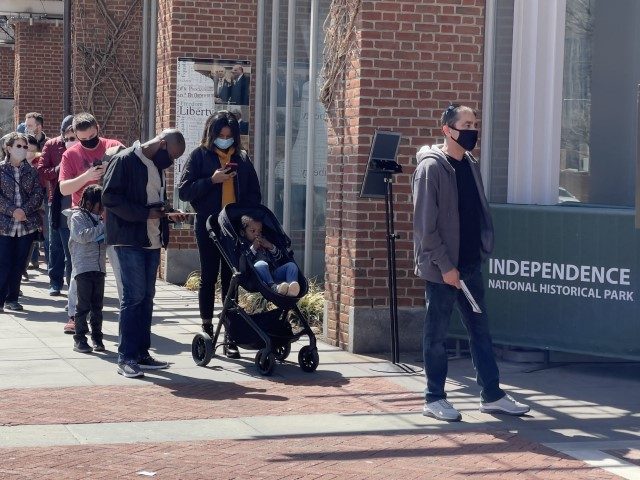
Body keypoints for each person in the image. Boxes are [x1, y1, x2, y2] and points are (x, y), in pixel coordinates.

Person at [412, 104, 530, 422]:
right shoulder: (431, 169)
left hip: (470, 265)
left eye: (475, 123)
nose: (473, 129)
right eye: (466, 123)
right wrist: (446, 267)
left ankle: (492, 394)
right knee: (436, 334)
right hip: (443, 270)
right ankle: (434, 397)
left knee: (480, 330)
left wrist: (478, 249)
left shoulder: (470, 163)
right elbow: (425, 228)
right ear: (447, 129)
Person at [102, 129, 187, 378]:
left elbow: (152, 200)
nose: (171, 162)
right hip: (128, 240)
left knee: (147, 296)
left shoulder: (155, 166)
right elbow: (109, 198)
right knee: (133, 297)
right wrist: (144, 213)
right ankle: (126, 356)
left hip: (152, 239)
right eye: (171, 155)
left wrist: (167, 211)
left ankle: (141, 353)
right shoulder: (124, 160)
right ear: (161, 144)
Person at [178, 111, 261, 359]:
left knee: (231, 279)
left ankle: (231, 333)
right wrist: (212, 180)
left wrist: (247, 219)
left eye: (229, 136)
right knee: (208, 276)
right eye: (220, 136)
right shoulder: (199, 156)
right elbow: (184, 191)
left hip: (234, 228)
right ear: (211, 134)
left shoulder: (243, 159)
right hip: (209, 225)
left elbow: (255, 195)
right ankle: (206, 327)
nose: (224, 140)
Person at [58, 113, 124, 335]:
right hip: (84, 218)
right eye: (84, 139)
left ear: (98, 128)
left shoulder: (113, 146)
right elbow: (64, 189)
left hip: (113, 217)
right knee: (81, 271)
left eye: (93, 137)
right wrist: (87, 176)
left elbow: (131, 173)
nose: (89, 142)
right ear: (75, 135)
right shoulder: (71, 154)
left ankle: (127, 314)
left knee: (120, 268)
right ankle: (74, 316)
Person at [0, 133, 44, 312]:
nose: (23, 150)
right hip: (4, 224)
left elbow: (37, 194)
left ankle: (13, 298)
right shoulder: (1, 170)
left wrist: (24, 211)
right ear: (8, 148)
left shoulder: (32, 171)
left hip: (26, 225)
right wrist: (12, 210)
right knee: (3, 262)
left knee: (19, 263)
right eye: (19, 146)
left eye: (25, 147)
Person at [38, 115, 75, 296]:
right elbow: (42, 171)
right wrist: (58, 169)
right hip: (57, 199)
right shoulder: (52, 145)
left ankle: (73, 283)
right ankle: (55, 281)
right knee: (56, 244)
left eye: (73, 134)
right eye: (66, 134)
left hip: (78, 201)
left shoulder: (84, 145)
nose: (70, 138)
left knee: (72, 244)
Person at [68, 185, 106, 353]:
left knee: (97, 306)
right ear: (90, 203)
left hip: (99, 267)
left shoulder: (101, 219)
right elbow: (82, 236)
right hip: (83, 268)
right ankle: (80, 338)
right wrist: (104, 227)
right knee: (83, 306)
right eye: (100, 204)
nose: (102, 208)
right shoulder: (77, 217)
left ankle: (97, 338)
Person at [239, 214, 299, 296]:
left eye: (259, 231)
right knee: (261, 264)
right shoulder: (244, 244)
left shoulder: (265, 241)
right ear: (243, 233)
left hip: (274, 272)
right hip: (257, 277)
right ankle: (274, 287)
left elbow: (280, 258)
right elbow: (244, 262)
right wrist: (254, 247)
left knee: (291, 265)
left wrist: (270, 246)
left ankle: (291, 288)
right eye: (253, 231)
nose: (257, 234)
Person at [25, 134, 46, 270]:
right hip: (12, 212)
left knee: (30, 243)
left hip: (33, 210)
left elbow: (40, 190)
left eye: (34, 151)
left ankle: (25, 267)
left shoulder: (37, 166)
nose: (30, 155)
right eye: (28, 150)